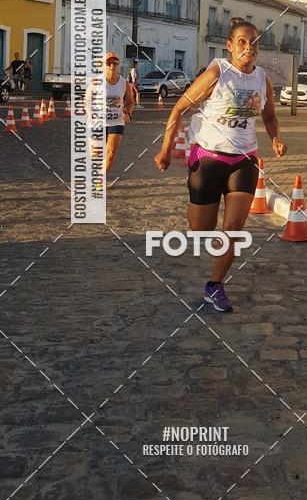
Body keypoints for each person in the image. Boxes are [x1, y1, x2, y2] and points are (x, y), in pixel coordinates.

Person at [154, 18, 287, 313]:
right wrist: (165, 150)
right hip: (208, 157)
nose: (248, 47)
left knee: (235, 225)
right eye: (242, 41)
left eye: (253, 42)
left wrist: (276, 138)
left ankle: (215, 286)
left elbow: (269, 117)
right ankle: (195, 202)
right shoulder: (217, 72)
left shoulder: (262, 79)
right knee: (201, 227)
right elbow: (179, 108)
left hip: (245, 159)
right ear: (229, 46)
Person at [85, 52, 134, 175]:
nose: (112, 66)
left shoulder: (124, 83)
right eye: (108, 63)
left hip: (116, 121)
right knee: (95, 153)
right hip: (97, 121)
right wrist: (91, 114)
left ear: (119, 66)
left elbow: (130, 102)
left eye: (115, 63)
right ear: (103, 66)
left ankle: (100, 179)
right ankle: (96, 170)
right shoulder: (96, 82)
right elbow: (87, 101)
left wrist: (128, 112)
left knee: (111, 153)